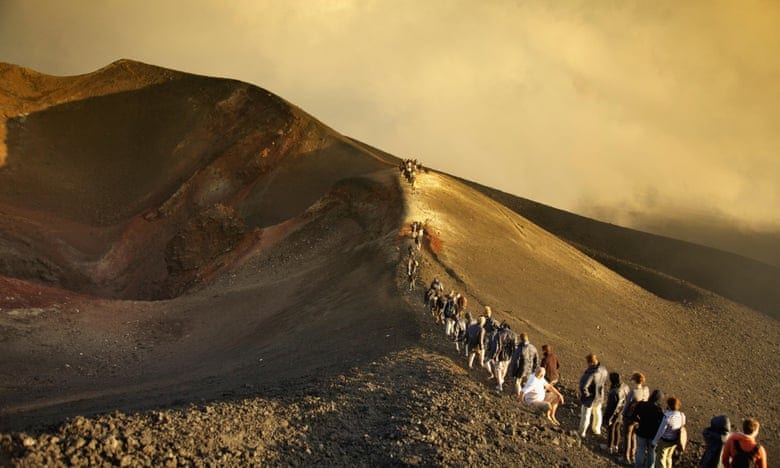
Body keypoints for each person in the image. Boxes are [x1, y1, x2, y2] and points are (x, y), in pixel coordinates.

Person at [619, 372, 650, 465]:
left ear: (635, 380)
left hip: (630, 417)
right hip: (639, 419)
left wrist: (622, 415)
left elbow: (627, 404)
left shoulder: (633, 392)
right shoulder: (646, 390)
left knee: (627, 437)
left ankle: (626, 457)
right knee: (634, 437)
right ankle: (633, 456)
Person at [578, 353, 609, 438]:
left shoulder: (591, 373)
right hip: (599, 396)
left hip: (590, 398)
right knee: (598, 413)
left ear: (590, 362)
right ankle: (596, 430)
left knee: (586, 415)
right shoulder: (603, 369)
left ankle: (582, 432)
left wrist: (586, 395)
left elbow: (584, 386)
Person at [632, 389, 665, 468]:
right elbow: (661, 424)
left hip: (641, 432)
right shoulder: (659, 410)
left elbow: (634, 415)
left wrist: (639, 422)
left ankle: (638, 466)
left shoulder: (642, 405)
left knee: (640, 451)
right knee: (651, 453)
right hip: (653, 435)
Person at [652, 395, 686, 468]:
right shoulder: (682, 415)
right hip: (674, 441)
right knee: (668, 457)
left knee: (661, 459)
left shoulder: (667, 417)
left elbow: (661, 431)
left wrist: (654, 441)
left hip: (665, 441)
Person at [603, 372, 630, 455]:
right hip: (622, 412)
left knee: (611, 429)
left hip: (614, 413)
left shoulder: (614, 392)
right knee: (617, 428)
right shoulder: (625, 386)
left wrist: (608, 418)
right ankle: (616, 446)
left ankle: (609, 447)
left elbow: (611, 407)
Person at [490, 322, 517, 392]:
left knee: (498, 369)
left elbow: (496, 346)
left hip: (500, 355)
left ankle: (500, 385)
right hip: (508, 356)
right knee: (505, 368)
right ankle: (501, 379)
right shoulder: (514, 335)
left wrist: (493, 355)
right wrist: (512, 356)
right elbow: (514, 347)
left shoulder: (499, 334)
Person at [511, 332, 539, 397]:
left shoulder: (519, 349)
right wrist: (534, 369)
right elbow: (536, 360)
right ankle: (526, 395)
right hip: (530, 369)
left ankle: (519, 396)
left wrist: (513, 372)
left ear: (521, 339)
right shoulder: (533, 347)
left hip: (521, 370)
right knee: (526, 383)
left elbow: (515, 362)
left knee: (517, 382)